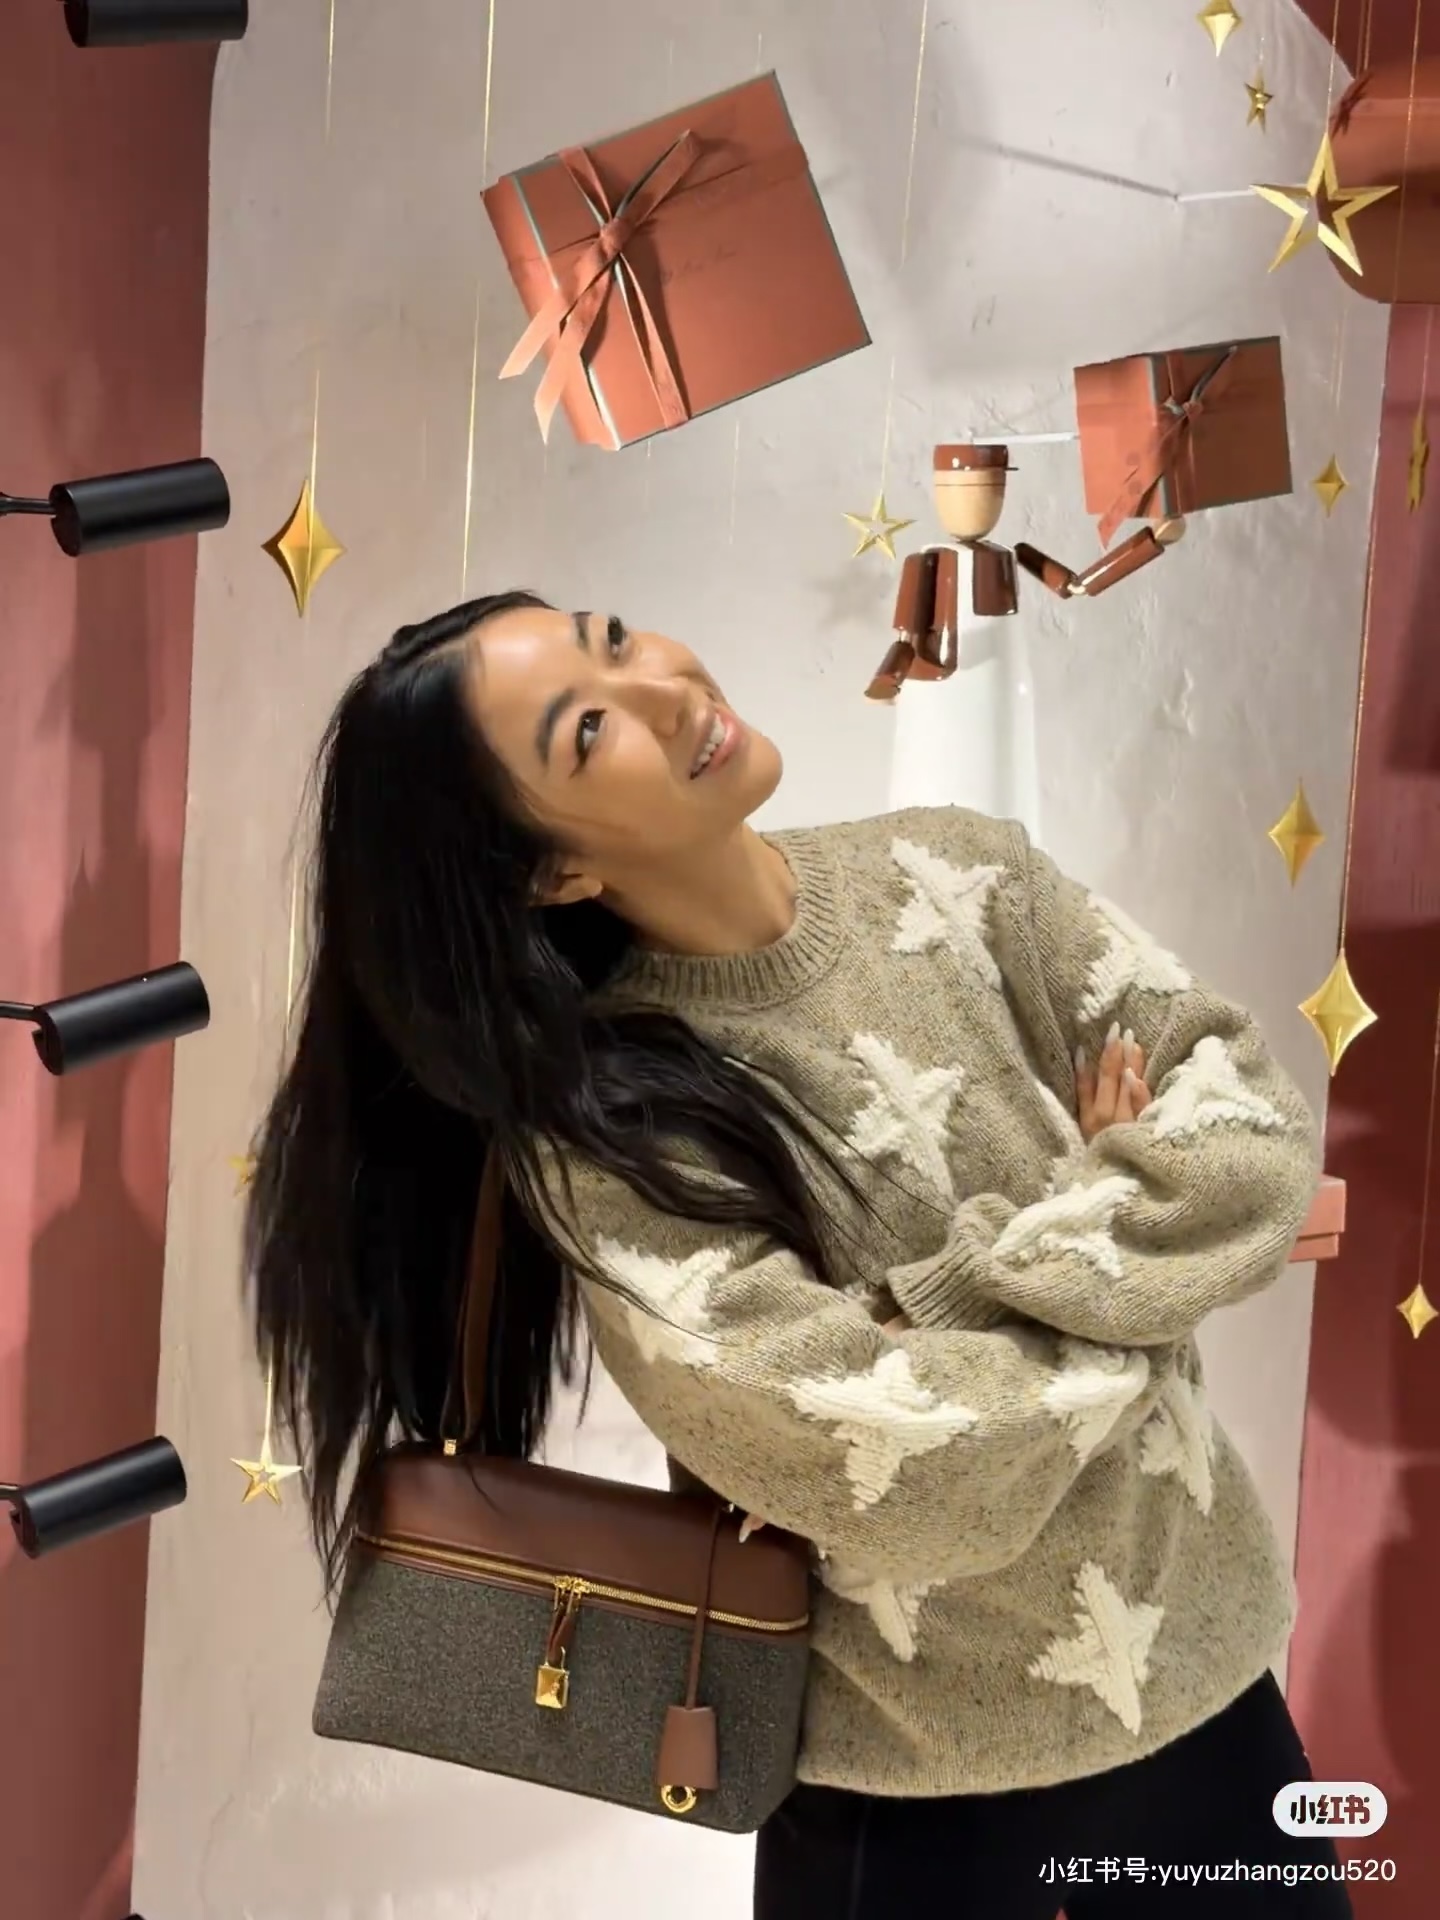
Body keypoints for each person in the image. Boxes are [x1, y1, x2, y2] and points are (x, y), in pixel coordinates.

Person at [246, 591, 1353, 1918]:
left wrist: (934, 1303)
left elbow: (1250, 1138)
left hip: (1210, 1686)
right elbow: (907, 1469)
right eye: (588, 730)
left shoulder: (965, 871)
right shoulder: (610, 1141)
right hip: (909, 1798)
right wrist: (1128, 1247)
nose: (665, 689)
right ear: (554, 873)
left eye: (615, 639)